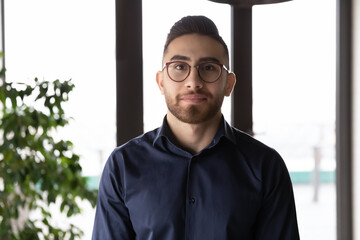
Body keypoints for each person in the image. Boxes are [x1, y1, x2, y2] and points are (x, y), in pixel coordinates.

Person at [92, 15, 300, 240]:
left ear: (228, 83)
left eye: (208, 67)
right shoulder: (122, 166)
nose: (193, 81)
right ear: (161, 82)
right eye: (179, 67)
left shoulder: (265, 167)